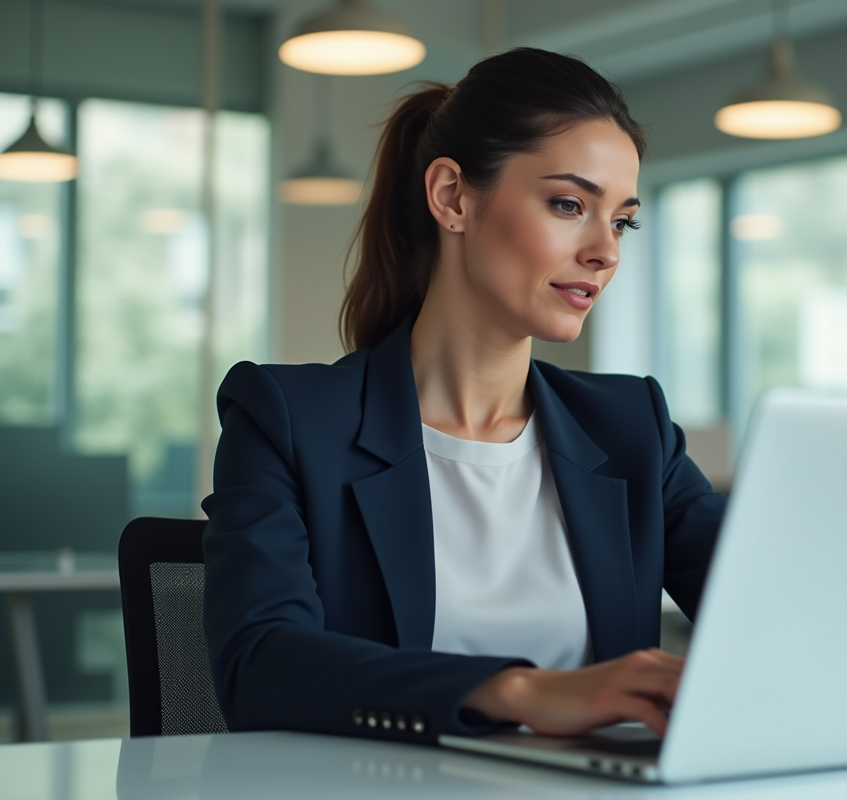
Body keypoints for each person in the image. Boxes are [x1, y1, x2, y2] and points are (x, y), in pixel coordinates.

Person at [202, 47, 726, 744]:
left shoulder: (633, 428)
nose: (607, 252)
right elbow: (259, 665)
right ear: (452, 196)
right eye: (570, 205)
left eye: (623, 219)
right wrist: (520, 691)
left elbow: (768, 610)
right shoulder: (288, 420)